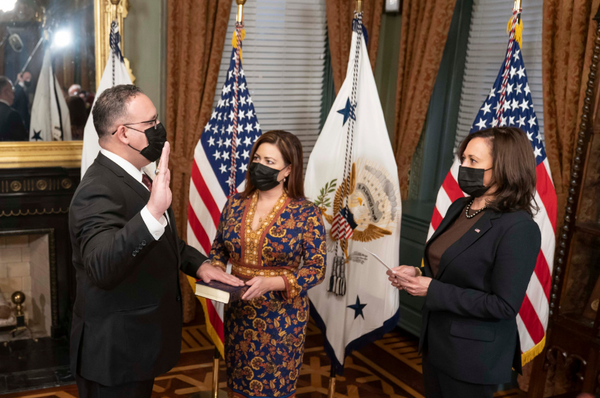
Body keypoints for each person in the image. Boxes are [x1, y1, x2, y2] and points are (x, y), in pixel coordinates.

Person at [68, 84, 243, 398]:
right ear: (123, 133)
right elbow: (102, 267)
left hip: (137, 347)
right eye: (151, 123)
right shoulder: (97, 188)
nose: (159, 128)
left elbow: (162, 239)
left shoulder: (140, 173)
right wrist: (152, 210)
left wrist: (199, 265)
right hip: (114, 353)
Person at [388, 127, 541, 398]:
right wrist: (417, 272)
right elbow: (453, 266)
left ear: (504, 168)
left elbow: (503, 305)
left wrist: (431, 289)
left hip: (472, 357)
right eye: (464, 159)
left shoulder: (518, 228)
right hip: (437, 342)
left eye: (474, 161)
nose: (464, 167)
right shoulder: (460, 206)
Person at [198, 130, 327, 397]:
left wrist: (274, 282)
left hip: (282, 319)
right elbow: (220, 247)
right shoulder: (235, 202)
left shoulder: (306, 212)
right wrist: (217, 269)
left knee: (275, 391)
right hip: (239, 311)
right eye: (257, 158)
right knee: (238, 387)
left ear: (288, 170)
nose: (260, 166)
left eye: (270, 162)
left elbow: (316, 268)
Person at [0, 76, 27, 141]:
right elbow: (22, 142)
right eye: (12, 90)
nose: (14, 93)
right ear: (6, 91)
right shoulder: (12, 115)